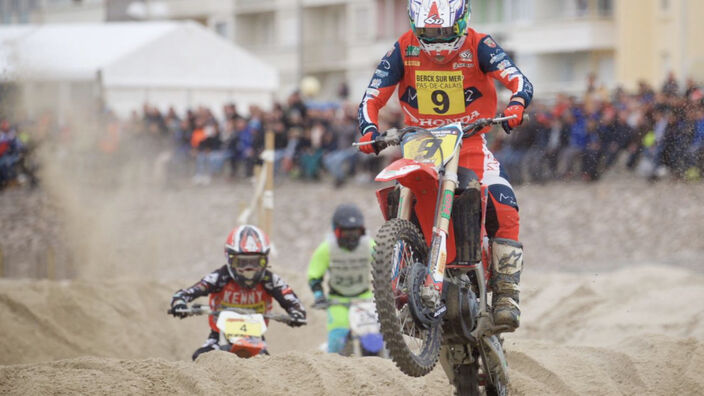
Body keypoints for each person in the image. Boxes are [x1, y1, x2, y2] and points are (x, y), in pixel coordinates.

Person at [356, 0, 532, 332]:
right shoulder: (404, 47)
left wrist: (517, 103)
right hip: (420, 144)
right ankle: (400, 279)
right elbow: (372, 96)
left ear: (462, 21)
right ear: (415, 26)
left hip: (468, 144)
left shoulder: (481, 44)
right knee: (396, 194)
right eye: (428, 33)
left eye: (444, 32)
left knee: (503, 201)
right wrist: (368, 128)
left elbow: (518, 80)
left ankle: (507, 294)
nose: (437, 43)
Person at [170, 225, 307, 360]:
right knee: (200, 359)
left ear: (266, 260)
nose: (249, 269)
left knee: (269, 369)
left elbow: (292, 300)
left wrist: (296, 312)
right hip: (219, 338)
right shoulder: (220, 277)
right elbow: (190, 291)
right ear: (230, 258)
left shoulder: (270, 280)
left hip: (256, 339)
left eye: (256, 262)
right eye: (242, 262)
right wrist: (180, 302)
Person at [307, 204, 375, 353]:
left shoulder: (368, 245)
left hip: (364, 300)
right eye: (346, 233)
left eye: (355, 232)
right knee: (338, 341)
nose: (351, 238)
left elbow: (385, 265)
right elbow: (314, 276)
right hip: (338, 302)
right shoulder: (327, 249)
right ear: (336, 231)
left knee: (374, 342)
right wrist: (319, 295)